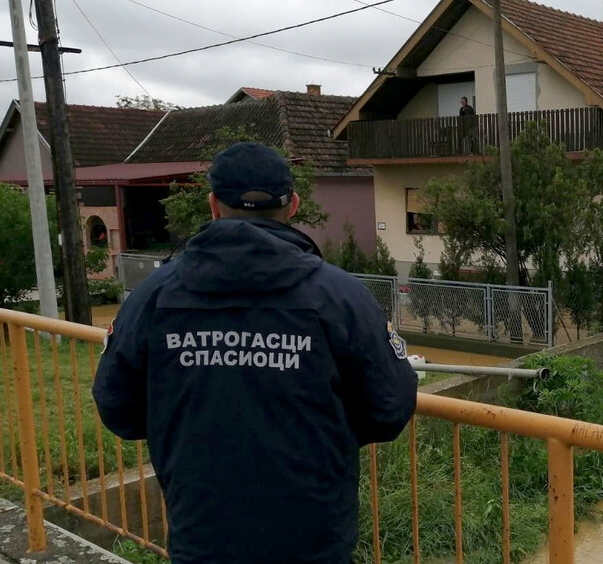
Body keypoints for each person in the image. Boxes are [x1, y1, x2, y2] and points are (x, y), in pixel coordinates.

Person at [93, 142, 418, 564]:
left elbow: (117, 406)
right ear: (294, 205)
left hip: (202, 534)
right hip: (314, 539)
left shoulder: (154, 296)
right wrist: (320, 432)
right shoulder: (340, 296)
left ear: (213, 205)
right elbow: (389, 408)